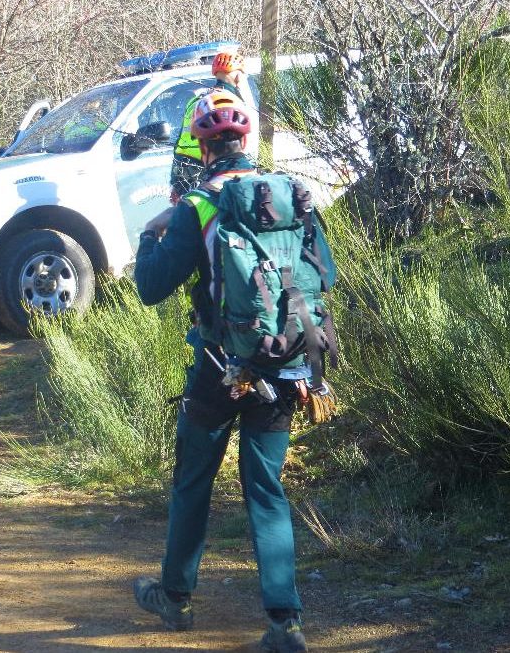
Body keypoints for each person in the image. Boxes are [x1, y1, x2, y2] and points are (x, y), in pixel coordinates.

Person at [132, 89, 308, 653]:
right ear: (247, 140)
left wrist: (147, 235)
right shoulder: (290, 196)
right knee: (266, 489)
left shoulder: (197, 206)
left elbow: (150, 289)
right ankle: (286, 623)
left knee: (193, 481)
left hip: (219, 367)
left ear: (201, 147)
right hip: (284, 363)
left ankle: (176, 599)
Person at [169, 51, 248, 201]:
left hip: (183, 170)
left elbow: (180, 140)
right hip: (211, 170)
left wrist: (176, 183)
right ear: (238, 76)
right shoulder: (228, 101)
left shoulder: (197, 100)